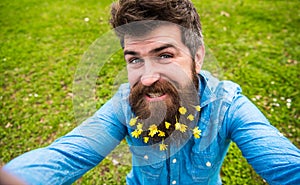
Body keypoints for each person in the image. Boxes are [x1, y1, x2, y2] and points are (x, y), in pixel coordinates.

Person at [2, 0, 300, 184]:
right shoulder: (124, 104)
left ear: (197, 57)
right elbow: (65, 156)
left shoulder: (228, 105)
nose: (147, 78)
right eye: (134, 59)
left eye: (165, 55)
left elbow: (286, 166)